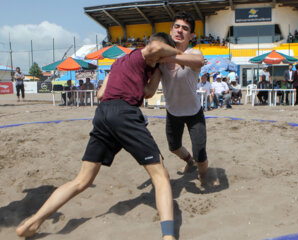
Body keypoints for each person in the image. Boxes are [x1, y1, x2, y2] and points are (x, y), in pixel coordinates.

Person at [16, 32, 181, 240]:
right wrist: (176, 54)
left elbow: (105, 94)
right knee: (160, 176)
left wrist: (157, 70)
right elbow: (155, 50)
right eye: (161, 55)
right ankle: (168, 237)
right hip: (124, 113)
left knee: (82, 180)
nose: (160, 58)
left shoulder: (120, 63)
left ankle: (33, 222)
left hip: (103, 114)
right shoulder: (141, 55)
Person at [148, 11, 216, 186]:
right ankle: (189, 162)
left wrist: (166, 56)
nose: (180, 31)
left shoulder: (194, 53)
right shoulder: (160, 61)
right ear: (171, 31)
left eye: (185, 28)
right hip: (173, 112)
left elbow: (200, 61)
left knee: (201, 154)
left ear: (191, 35)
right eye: (176, 27)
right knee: (174, 147)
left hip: (194, 112)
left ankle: (203, 176)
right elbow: (149, 90)